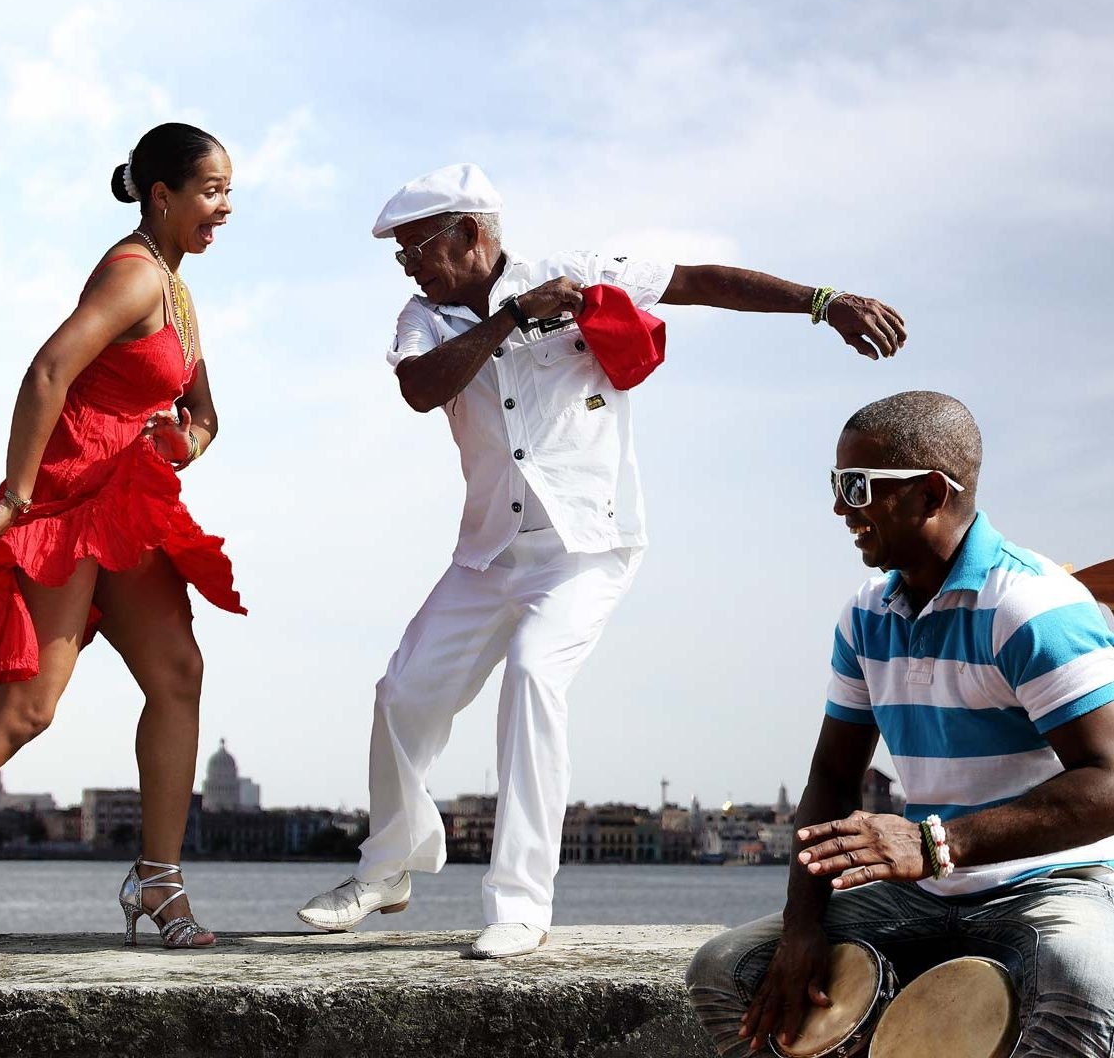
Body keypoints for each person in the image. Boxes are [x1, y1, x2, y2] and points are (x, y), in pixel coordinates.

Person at [297, 163, 908, 958]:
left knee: (532, 675)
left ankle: (518, 903)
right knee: (401, 692)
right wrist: (512, 316)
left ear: (472, 233)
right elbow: (419, 390)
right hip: (488, 552)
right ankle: (391, 865)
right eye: (402, 253)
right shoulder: (424, 318)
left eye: (418, 247)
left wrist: (821, 304)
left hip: (587, 547)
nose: (409, 265)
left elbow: (698, 281)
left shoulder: (581, 272)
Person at [0, 123, 243, 964]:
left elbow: (205, 415)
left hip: (126, 501)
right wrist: (18, 496)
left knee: (178, 674)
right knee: (25, 710)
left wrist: (183, 444)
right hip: (66, 502)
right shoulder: (133, 275)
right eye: (211, 191)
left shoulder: (177, 290)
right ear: (162, 195)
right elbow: (46, 371)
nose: (225, 207)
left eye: (228, 191)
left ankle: (157, 877)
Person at [688, 391, 1114, 1057]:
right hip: (919, 896)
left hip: (1048, 886)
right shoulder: (865, 616)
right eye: (835, 484)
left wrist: (936, 842)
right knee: (724, 971)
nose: (838, 508)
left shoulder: (1033, 607)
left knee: (1083, 980)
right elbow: (831, 778)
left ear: (928, 495)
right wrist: (803, 928)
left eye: (855, 486)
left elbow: (1108, 781)